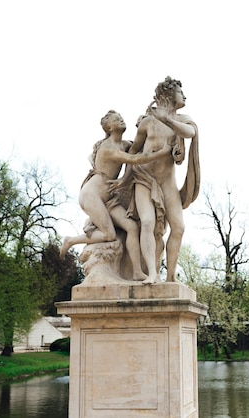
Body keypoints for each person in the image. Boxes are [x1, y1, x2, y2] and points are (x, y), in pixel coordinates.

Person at [60, 110, 172, 281]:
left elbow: (139, 146)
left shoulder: (124, 144)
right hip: (92, 196)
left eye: (120, 117)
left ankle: (136, 272)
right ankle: (71, 240)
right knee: (109, 235)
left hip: (109, 198)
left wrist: (148, 119)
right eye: (115, 119)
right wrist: (164, 152)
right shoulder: (109, 148)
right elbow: (135, 159)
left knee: (132, 227)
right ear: (109, 128)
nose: (120, 119)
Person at [126, 77, 200, 284]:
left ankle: (170, 276)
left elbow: (191, 133)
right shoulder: (147, 122)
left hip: (167, 183)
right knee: (148, 222)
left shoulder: (182, 121)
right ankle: (152, 273)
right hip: (143, 178)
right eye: (180, 92)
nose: (184, 96)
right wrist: (124, 179)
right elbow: (133, 151)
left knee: (179, 227)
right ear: (168, 95)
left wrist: (166, 119)